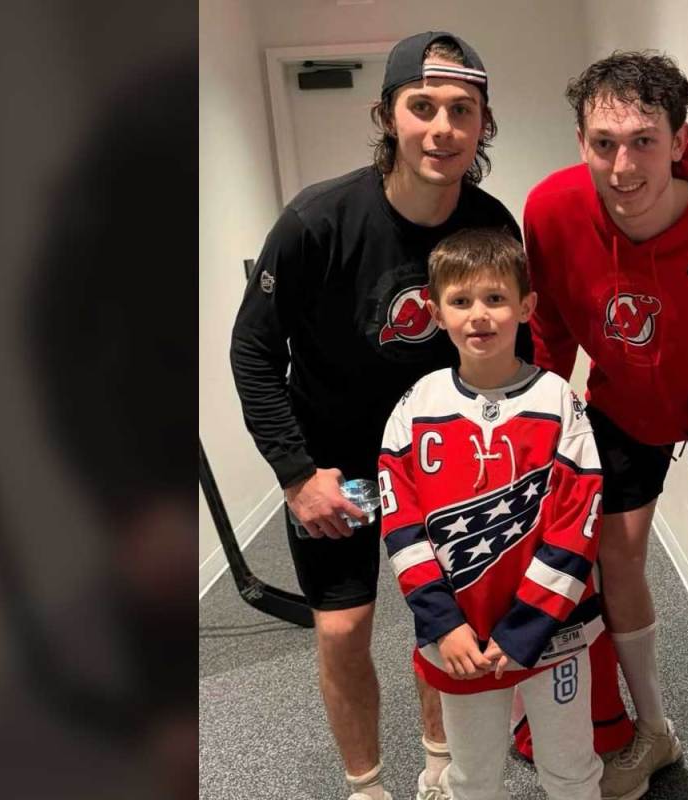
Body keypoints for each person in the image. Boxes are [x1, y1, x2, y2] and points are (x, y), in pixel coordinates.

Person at [230, 31, 525, 800]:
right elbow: (252, 354)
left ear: (483, 125)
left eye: (462, 110)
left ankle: (438, 764)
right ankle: (366, 785)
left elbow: (500, 347)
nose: (442, 127)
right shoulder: (316, 221)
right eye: (422, 106)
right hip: (340, 468)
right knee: (344, 625)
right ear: (388, 113)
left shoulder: (491, 226)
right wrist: (297, 478)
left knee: (446, 619)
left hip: (443, 465)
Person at [523, 50, 688, 799]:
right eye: (603, 143)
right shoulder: (550, 209)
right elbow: (549, 331)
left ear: (679, 140)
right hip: (622, 401)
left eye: (643, 140)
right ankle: (656, 731)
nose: (622, 164)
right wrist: (539, 421)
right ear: (581, 144)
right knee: (615, 554)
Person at [378, 228, 605, 799]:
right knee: (473, 775)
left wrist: (530, 622)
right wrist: (443, 622)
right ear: (434, 311)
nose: (479, 316)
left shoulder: (557, 399)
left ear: (526, 306)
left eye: (496, 299)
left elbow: (577, 524)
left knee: (572, 768)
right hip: (460, 637)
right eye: (460, 301)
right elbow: (402, 529)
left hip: (554, 631)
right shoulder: (415, 408)